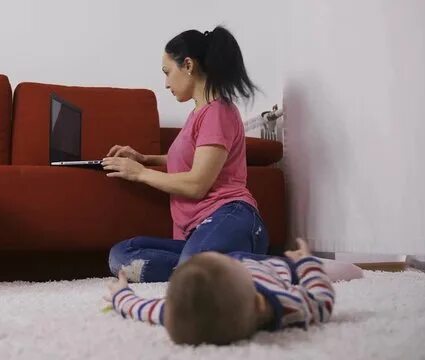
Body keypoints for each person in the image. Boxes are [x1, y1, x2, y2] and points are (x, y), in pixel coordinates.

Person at [103, 26, 267, 283]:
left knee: (194, 266)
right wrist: (145, 159)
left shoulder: (218, 111)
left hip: (230, 215)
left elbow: (197, 184)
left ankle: (290, 268)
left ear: (188, 65)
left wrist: (140, 173)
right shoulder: (197, 114)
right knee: (121, 255)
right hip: (198, 232)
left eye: (167, 72)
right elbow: (191, 159)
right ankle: (205, 268)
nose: (166, 83)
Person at [103, 239, 354, 345]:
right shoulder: (289, 305)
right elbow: (322, 301)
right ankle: (322, 263)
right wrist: (307, 265)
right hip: (277, 271)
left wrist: (121, 294)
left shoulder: (179, 311)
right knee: (313, 268)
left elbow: (140, 308)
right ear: (258, 302)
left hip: (233, 268)